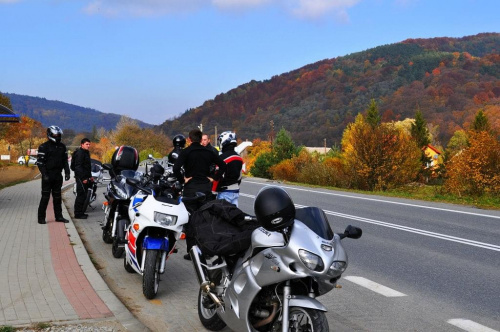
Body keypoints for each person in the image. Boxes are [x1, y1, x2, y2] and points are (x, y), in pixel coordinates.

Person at [173, 128, 227, 260]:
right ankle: (206, 251)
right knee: (204, 220)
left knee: (191, 221)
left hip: (190, 189)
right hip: (205, 189)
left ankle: (192, 252)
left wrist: (183, 180)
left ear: (189, 139)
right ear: (200, 138)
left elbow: (175, 168)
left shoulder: (186, 152)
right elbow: (223, 165)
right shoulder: (209, 152)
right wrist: (214, 177)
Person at [37, 125, 71, 224]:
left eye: (58, 134)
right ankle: (41, 218)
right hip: (47, 175)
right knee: (45, 197)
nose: (57, 136)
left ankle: (59, 216)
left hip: (58, 175)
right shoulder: (43, 147)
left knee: (57, 197)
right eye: (55, 134)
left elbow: (65, 161)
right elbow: (40, 163)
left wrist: (67, 172)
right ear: (49, 134)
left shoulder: (62, 146)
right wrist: (44, 174)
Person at [214, 131, 243, 207]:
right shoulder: (239, 158)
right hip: (235, 191)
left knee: (222, 216)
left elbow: (217, 177)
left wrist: (213, 192)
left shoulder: (222, 158)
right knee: (234, 215)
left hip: (224, 191)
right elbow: (239, 178)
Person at [73, 138, 92, 219]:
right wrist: (83, 178)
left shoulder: (86, 152)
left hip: (86, 177)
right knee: (81, 195)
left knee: (84, 195)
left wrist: (90, 176)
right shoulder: (80, 153)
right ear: (82, 144)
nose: (88, 146)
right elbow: (78, 167)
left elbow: (87, 166)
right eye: (87, 144)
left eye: (89, 144)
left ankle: (81, 212)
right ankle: (77, 213)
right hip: (81, 178)